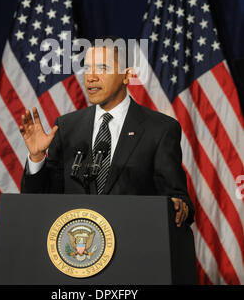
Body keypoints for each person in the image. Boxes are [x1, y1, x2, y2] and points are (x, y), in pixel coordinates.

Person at [20, 37, 194, 227]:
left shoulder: (160, 129)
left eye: (102, 68)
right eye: (87, 68)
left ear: (126, 75)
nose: (91, 77)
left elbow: (179, 201)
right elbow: (41, 199)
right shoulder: (66, 127)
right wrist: (36, 157)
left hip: (134, 244)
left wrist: (177, 206)